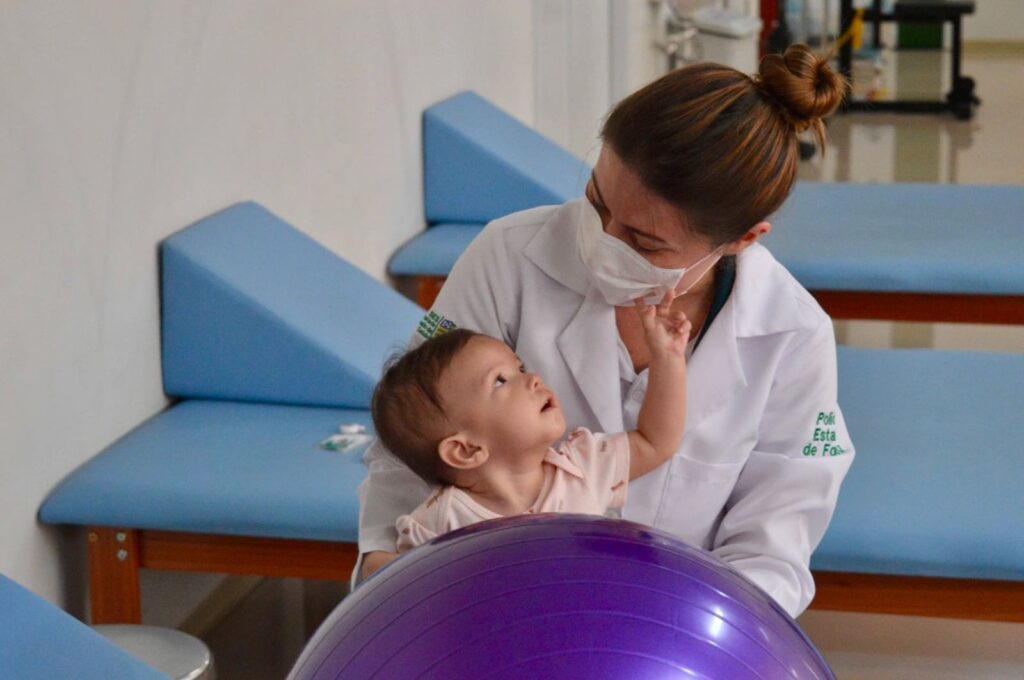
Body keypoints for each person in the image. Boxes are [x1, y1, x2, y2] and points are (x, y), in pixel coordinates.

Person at [357, 44, 854, 617]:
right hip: (491, 613)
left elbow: (776, 539)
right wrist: (385, 570)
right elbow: (413, 432)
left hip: (676, 629)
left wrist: (680, 636)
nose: (602, 240)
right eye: (596, 201)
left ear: (743, 239)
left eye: (644, 241)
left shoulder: (793, 335)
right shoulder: (506, 255)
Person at [370, 296, 691, 553]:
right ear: (466, 449)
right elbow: (407, 598)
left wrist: (668, 360)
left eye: (520, 368)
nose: (533, 379)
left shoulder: (582, 467)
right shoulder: (440, 523)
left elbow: (656, 441)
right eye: (499, 381)